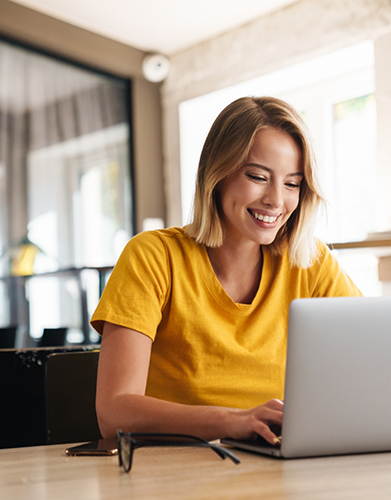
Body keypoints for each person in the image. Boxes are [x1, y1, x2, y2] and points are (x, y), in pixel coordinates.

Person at [91, 96, 361, 446]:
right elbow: (113, 414)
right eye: (258, 177)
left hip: (277, 467)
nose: (276, 200)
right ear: (217, 174)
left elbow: (371, 364)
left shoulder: (310, 262)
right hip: (175, 471)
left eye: (292, 183)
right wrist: (232, 420)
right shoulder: (153, 256)